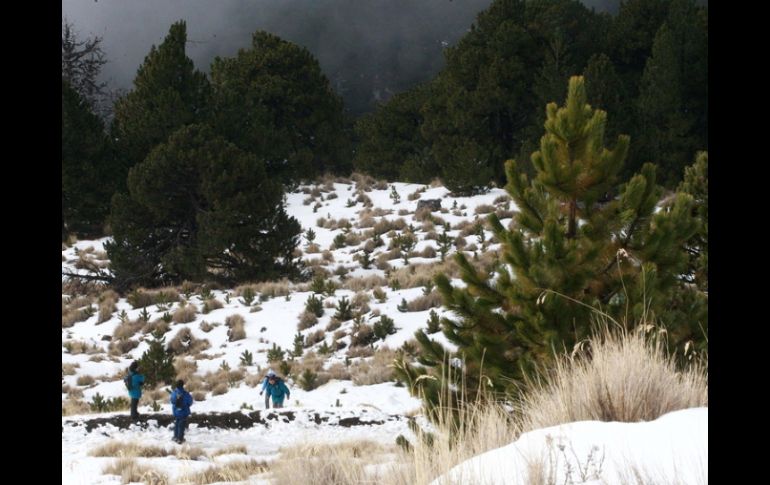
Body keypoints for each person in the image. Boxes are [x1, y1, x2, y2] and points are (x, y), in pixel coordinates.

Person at [170, 379, 193, 444]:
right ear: (183, 385)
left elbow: (171, 401)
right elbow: (190, 402)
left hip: (176, 411)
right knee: (181, 425)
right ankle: (180, 438)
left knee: (177, 423)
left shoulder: (174, 393)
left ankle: (175, 437)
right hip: (184, 411)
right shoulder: (186, 394)